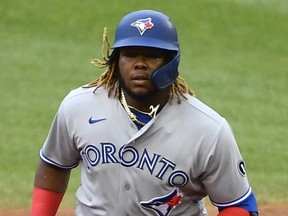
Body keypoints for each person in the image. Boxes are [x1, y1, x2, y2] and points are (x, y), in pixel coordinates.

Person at [31, 9, 259, 216]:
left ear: (172, 62)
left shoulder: (208, 129)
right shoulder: (79, 106)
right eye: (129, 54)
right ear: (116, 61)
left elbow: (238, 204)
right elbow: (54, 164)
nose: (139, 64)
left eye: (152, 55)